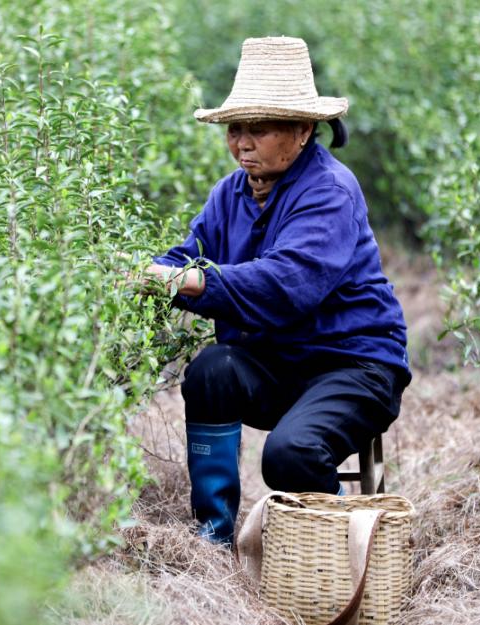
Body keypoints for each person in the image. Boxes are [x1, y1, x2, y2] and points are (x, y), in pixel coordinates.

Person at [147, 37, 411, 545]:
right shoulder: (230, 194)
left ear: (303, 130)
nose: (242, 143)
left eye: (258, 130)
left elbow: (286, 286)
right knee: (210, 371)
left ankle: (337, 552)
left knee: (291, 455)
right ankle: (213, 534)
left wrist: (188, 281)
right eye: (234, 130)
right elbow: (186, 256)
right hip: (275, 364)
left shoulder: (329, 190)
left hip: (353, 365)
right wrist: (145, 273)